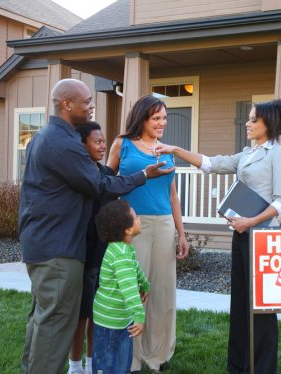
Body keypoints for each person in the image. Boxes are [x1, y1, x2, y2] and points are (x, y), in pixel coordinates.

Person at [19, 78, 174, 374]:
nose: (92, 106)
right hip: (58, 248)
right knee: (56, 324)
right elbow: (100, 185)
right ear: (66, 104)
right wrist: (144, 174)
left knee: (42, 318)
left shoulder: (44, 137)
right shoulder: (63, 144)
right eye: (87, 101)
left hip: (42, 243)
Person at [156, 98, 281, 373]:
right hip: (242, 235)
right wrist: (175, 149)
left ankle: (262, 367)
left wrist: (251, 221)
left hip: (262, 239)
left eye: (254, 119)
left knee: (262, 309)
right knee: (241, 303)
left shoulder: (279, 153)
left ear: (269, 124)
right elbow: (211, 164)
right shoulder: (248, 153)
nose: (248, 122)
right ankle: (239, 366)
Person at [107, 95, 190, 373]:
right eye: (156, 118)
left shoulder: (166, 150)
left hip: (164, 223)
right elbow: (108, 182)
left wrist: (181, 233)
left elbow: (172, 194)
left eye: (164, 118)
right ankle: (130, 356)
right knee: (134, 289)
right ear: (142, 118)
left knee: (162, 290)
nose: (162, 123)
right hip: (133, 226)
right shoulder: (123, 144)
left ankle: (157, 354)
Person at [68, 122, 118, 374]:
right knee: (81, 314)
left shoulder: (106, 173)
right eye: (97, 141)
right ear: (82, 145)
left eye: (103, 141)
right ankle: (75, 366)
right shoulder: (76, 175)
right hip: (81, 254)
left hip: (103, 252)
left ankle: (91, 364)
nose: (102, 145)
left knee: (97, 314)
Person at [92, 200, 150, 374]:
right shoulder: (121, 254)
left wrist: (145, 285)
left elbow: (136, 271)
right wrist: (139, 315)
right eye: (136, 217)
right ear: (128, 229)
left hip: (121, 319)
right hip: (110, 323)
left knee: (121, 364)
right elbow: (129, 288)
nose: (139, 218)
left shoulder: (124, 249)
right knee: (109, 366)